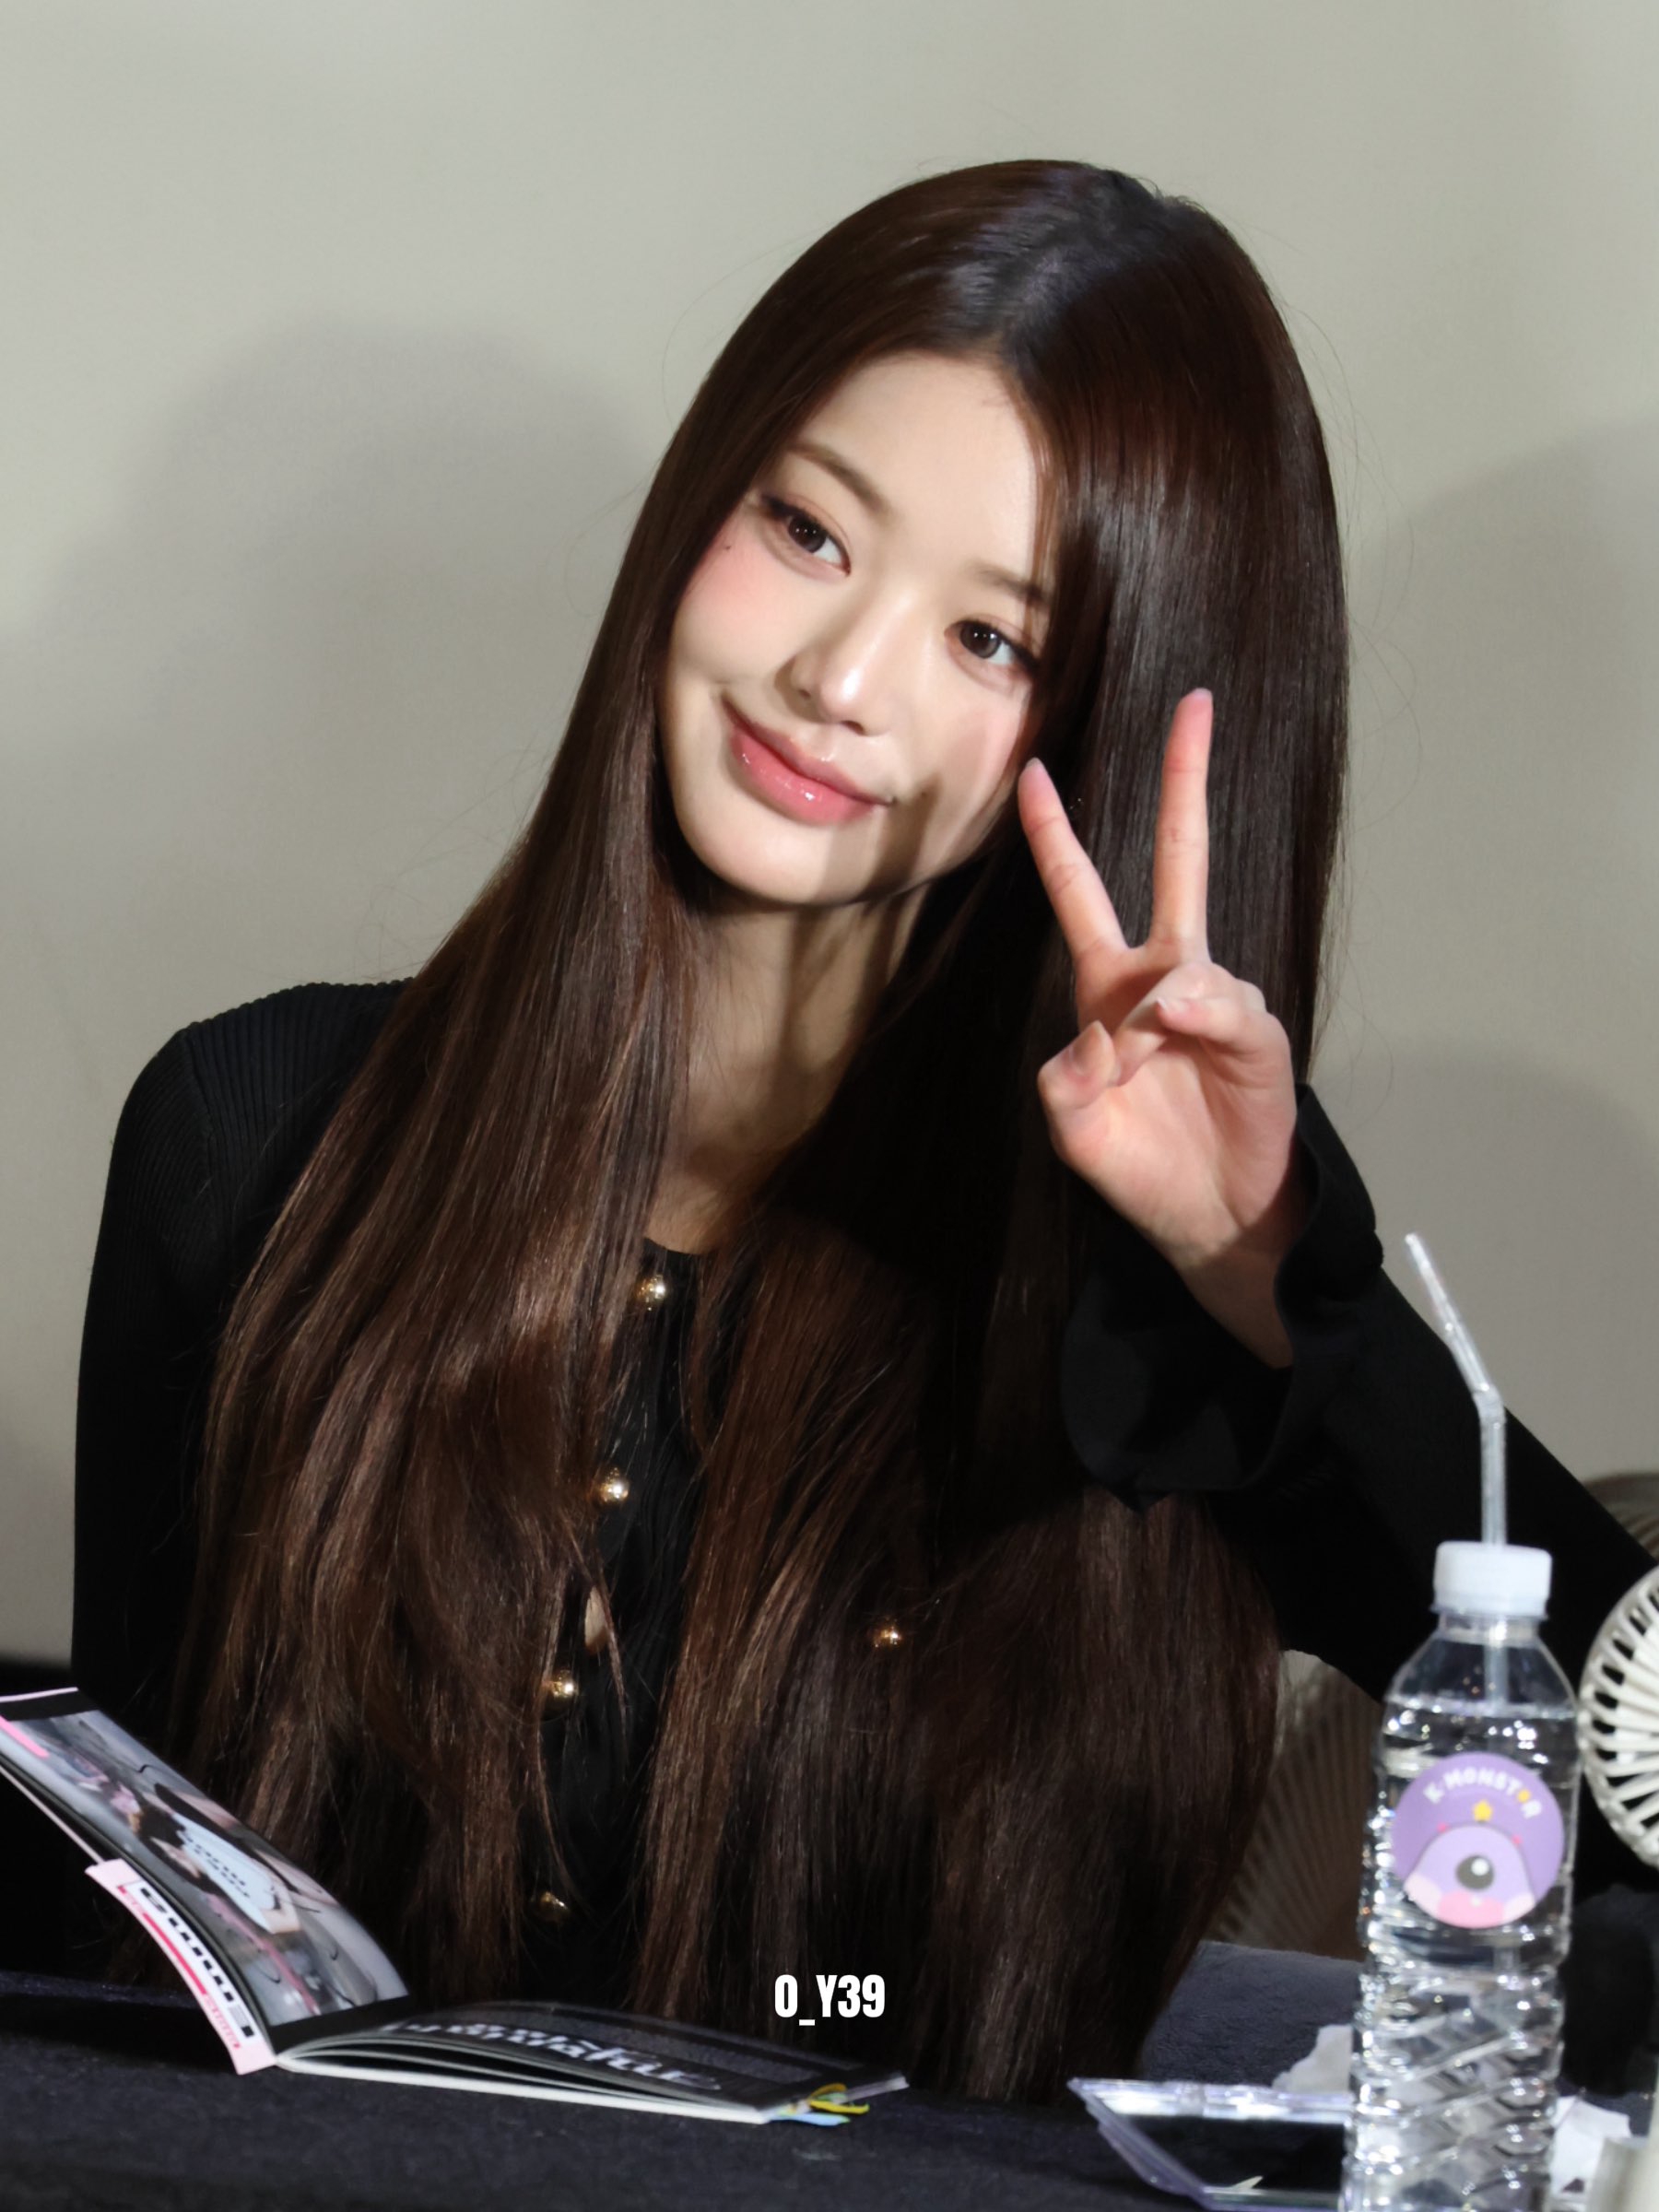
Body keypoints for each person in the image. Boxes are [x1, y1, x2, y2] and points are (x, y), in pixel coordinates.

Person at [71, 159, 1655, 2103]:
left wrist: (1265, 1280)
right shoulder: (251, 1133)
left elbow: (1636, 1774)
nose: (838, 680)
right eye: (809, 529)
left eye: (993, 642)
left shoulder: (1152, 1295)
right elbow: (128, 1942)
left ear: (1110, 720)